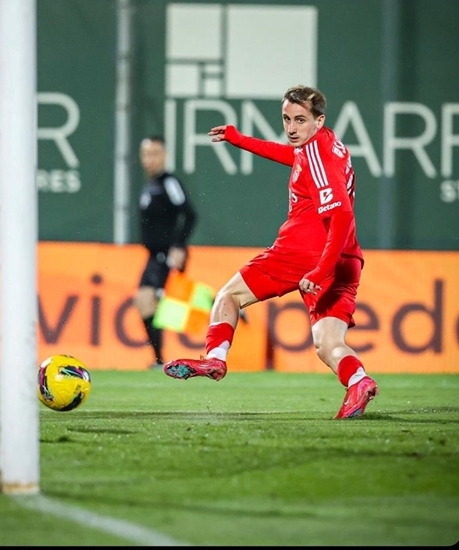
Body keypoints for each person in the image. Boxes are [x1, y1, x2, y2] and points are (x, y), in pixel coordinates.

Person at [164, 85, 377, 420]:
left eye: (300, 120)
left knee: (227, 297)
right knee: (327, 343)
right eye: (286, 119)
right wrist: (240, 139)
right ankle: (359, 381)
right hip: (347, 258)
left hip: (305, 252)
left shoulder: (317, 154)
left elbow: (342, 215)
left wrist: (319, 270)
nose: (291, 128)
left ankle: (216, 358)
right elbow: (290, 157)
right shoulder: (327, 146)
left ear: (319, 121)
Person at [135, 136, 197, 371]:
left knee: (150, 301)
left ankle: (160, 361)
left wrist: (179, 246)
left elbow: (190, 214)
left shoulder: (169, 182)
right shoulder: (150, 185)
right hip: (153, 255)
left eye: (154, 154)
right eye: (146, 155)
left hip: (166, 254)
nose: (149, 159)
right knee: (144, 302)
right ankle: (159, 360)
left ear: (164, 156)